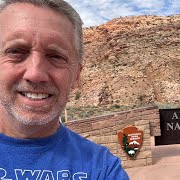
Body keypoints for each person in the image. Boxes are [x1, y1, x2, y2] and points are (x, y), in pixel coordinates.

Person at [0, 0, 129, 179]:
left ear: (76, 75)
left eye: (56, 56)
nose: (35, 73)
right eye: (16, 51)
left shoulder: (102, 169)